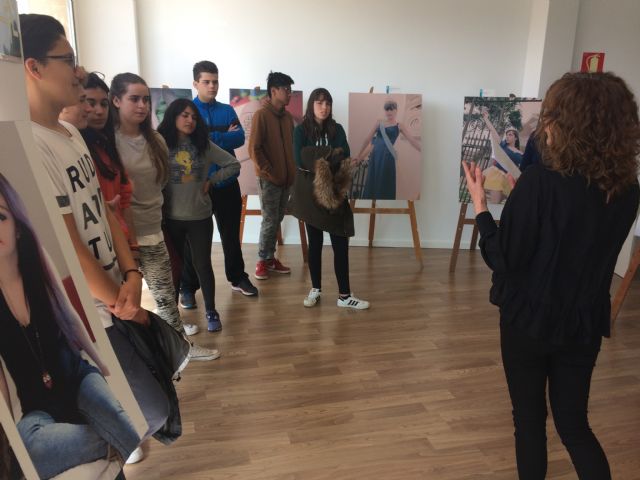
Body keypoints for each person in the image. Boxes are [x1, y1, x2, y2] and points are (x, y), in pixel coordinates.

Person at [462, 71, 640, 480]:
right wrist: (528, 200)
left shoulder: (540, 183)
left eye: (552, 115)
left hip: (529, 320)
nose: (546, 125)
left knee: (528, 422)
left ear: (568, 124)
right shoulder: (628, 189)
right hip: (583, 322)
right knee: (575, 426)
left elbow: (504, 258)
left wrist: (482, 207)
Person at [20, 13, 170, 465]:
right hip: (92, 312)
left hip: (115, 292)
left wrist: (131, 272)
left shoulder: (69, 132)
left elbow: (105, 209)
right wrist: (119, 301)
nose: (80, 71)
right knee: (146, 412)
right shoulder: (31, 146)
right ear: (33, 67)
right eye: (68, 60)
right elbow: (65, 245)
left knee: (152, 409)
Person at [0, 174, 139, 478]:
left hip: (79, 379)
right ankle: (114, 443)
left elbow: (71, 318)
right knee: (28, 447)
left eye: (0, 217)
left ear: (17, 227)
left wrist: (103, 366)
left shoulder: (39, 268)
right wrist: (8, 433)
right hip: (37, 408)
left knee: (118, 418)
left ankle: (115, 439)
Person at [110, 72, 219, 360]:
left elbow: (162, 182)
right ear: (116, 100)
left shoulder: (155, 139)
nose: (142, 105)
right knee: (124, 301)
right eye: (134, 99)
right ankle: (136, 356)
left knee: (166, 296)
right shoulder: (107, 142)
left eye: (146, 99)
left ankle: (181, 349)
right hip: (121, 237)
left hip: (153, 229)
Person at [178, 60, 258, 310]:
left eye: (215, 81)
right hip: (197, 187)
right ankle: (188, 287)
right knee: (192, 242)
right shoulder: (187, 112)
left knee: (231, 235)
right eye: (207, 81)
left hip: (227, 184)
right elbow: (187, 140)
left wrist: (208, 136)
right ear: (195, 83)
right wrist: (223, 135)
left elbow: (239, 137)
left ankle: (237, 277)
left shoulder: (227, 110)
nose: (212, 86)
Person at [158, 99, 240, 332]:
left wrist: (211, 181)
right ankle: (173, 316)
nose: (190, 120)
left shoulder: (203, 144)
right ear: (173, 116)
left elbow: (233, 164)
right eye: (185, 115)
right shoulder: (161, 144)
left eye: (194, 117)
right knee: (175, 267)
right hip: (171, 218)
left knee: (203, 265)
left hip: (200, 217)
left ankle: (211, 311)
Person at [289, 88, 370, 310]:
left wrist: (319, 156)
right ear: (311, 105)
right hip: (309, 195)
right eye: (319, 103)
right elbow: (299, 158)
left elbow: (344, 154)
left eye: (327, 103)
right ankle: (316, 288)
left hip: (334, 193)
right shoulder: (301, 130)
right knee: (314, 244)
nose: (324, 107)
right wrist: (330, 154)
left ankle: (344, 295)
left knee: (340, 243)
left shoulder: (337, 129)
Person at [248, 71, 296, 280]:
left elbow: (292, 147)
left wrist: (291, 173)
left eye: (290, 90)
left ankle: (270, 258)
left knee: (277, 219)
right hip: (269, 179)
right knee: (269, 220)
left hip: (286, 180)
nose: (289, 93)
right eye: (286, 89)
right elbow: (254, 149)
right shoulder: (261, 115)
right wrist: (270, 172)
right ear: (274, 90)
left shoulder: (287, 118)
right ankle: (262, 260)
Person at [353, 100, 421, 200]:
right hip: (375, 157)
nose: (389, 112)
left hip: (387, 158)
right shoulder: (379, 123)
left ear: (396, 110)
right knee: (373, 182)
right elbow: (368, 140)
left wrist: (422, 150)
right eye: (387, 109)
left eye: (391, 109)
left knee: (384, 184)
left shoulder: (399, 126)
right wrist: (359, 156)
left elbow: (412, 140)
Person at [479, 108, 524, 203]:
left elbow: (521, 168)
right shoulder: (503, 145)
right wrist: (486, 118)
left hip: (508, 178)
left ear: (516, 138)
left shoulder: (521, 154)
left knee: (499, 201)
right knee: (494, 202)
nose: (507, 136)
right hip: (496, 174)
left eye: (510, 135)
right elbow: (493, 130)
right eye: (507, 134)